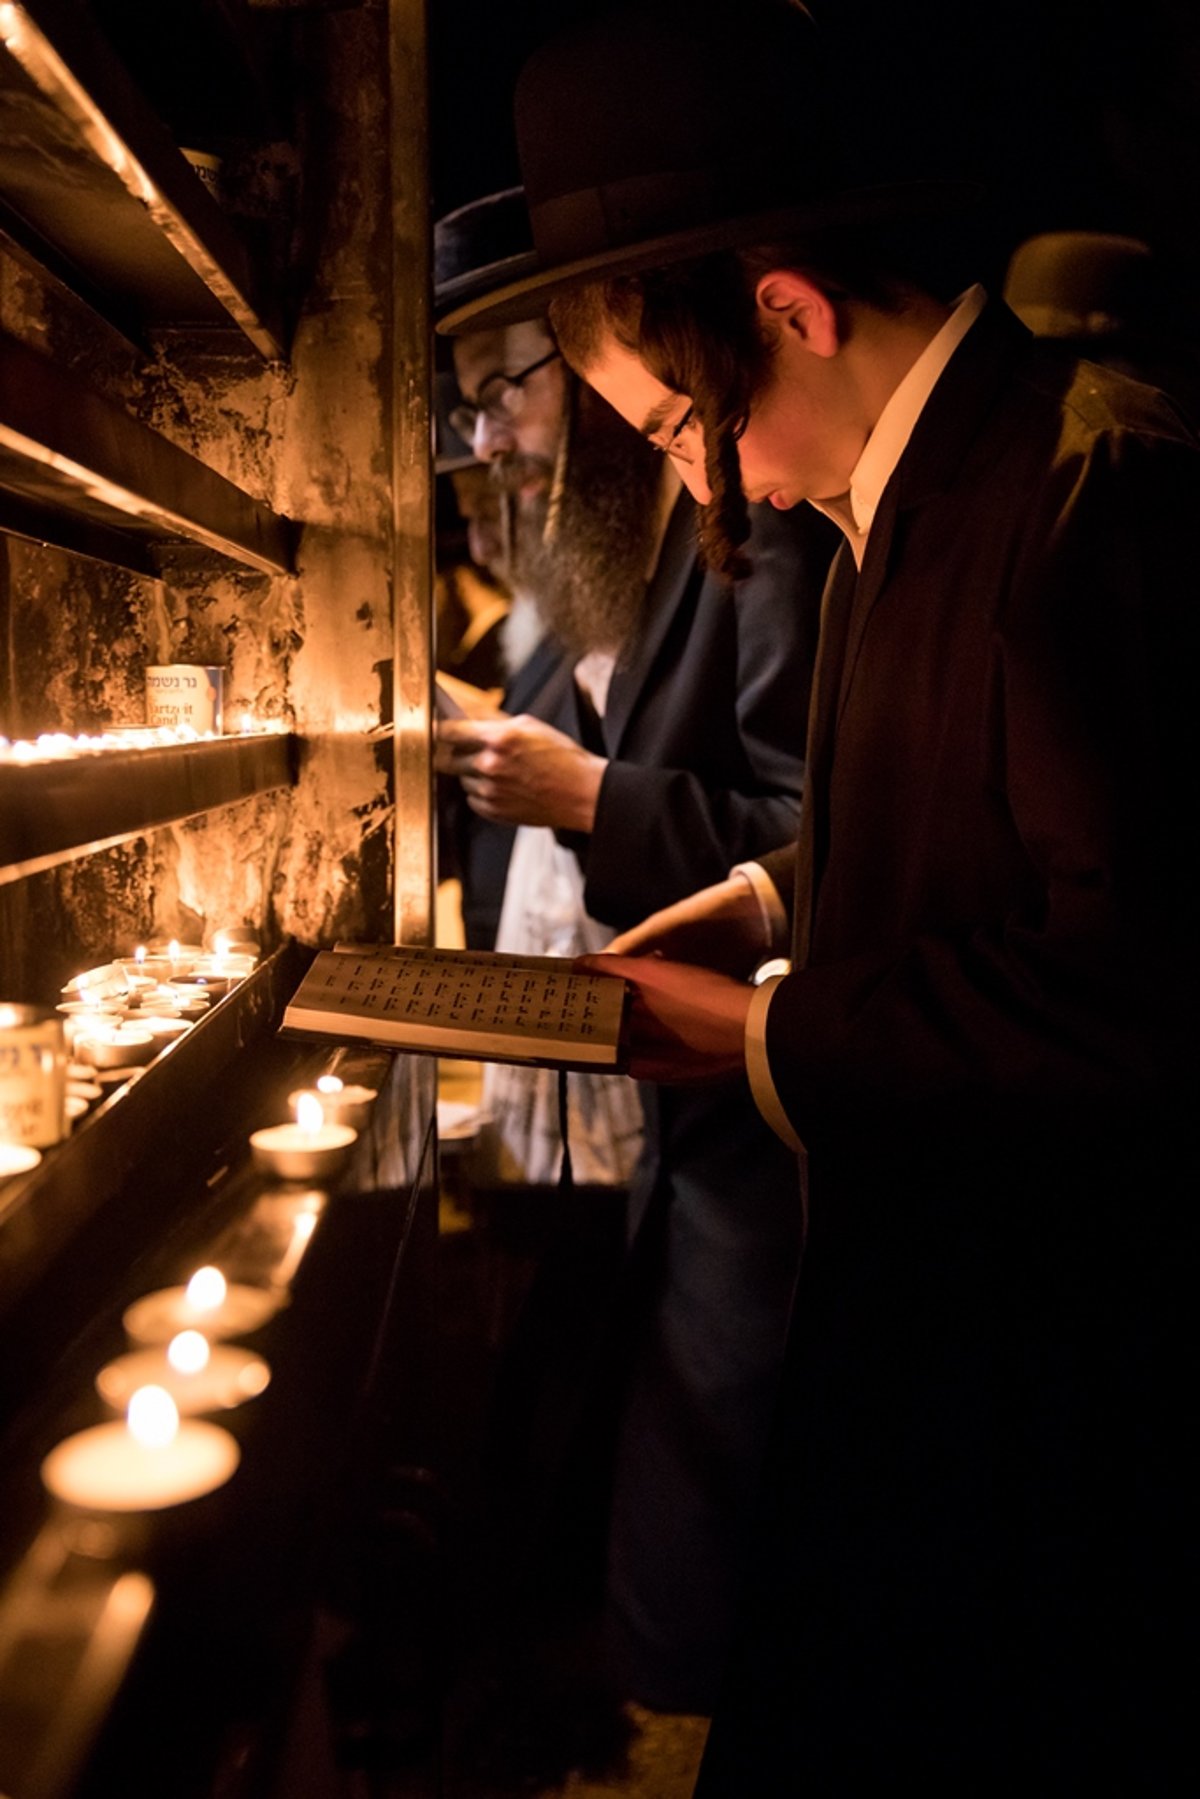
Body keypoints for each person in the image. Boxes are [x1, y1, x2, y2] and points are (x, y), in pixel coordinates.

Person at [442, 2, 1199, 1785]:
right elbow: (967, 820)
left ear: (788, 308)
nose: (703, 477)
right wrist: (781, 899)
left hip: (1052, 1382)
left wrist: (772, 1031)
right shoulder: (892, 502)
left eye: (685, 420)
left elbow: (1148, 991)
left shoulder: (1094, 492)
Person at [434, 184, 835, 1715]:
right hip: (676, 1089)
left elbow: (808, 822)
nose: (492, 437)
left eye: (507, 388)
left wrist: (592, 795)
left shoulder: (764, 521)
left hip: (759, 1085)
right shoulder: (602, 543)